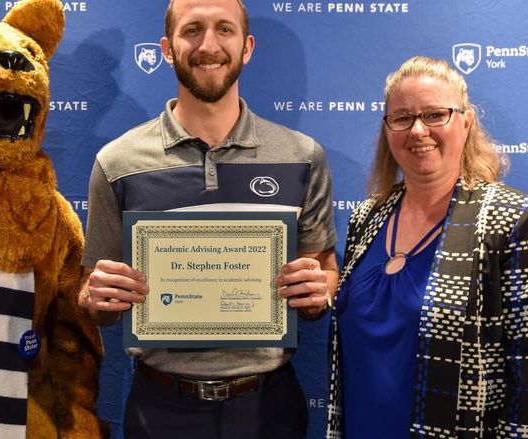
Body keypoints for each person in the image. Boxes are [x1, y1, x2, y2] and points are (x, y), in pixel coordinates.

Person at [78, 0, 339, 437]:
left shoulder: (301, 156)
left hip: (268, 406)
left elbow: (324, 271)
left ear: (247, 46)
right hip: (159, 407)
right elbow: (90, 289)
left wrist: (320, 290)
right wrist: (95, 298)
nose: (209, 44)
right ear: (166, 47)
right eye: (192, 30)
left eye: (224, 29)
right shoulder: (118, 162)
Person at [327, 56, 528, 438]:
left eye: (435, 114)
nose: (418, 130)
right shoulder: (366, 218)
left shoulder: (517, 219)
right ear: (387, 129)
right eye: (402, 118)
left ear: (466, 121)